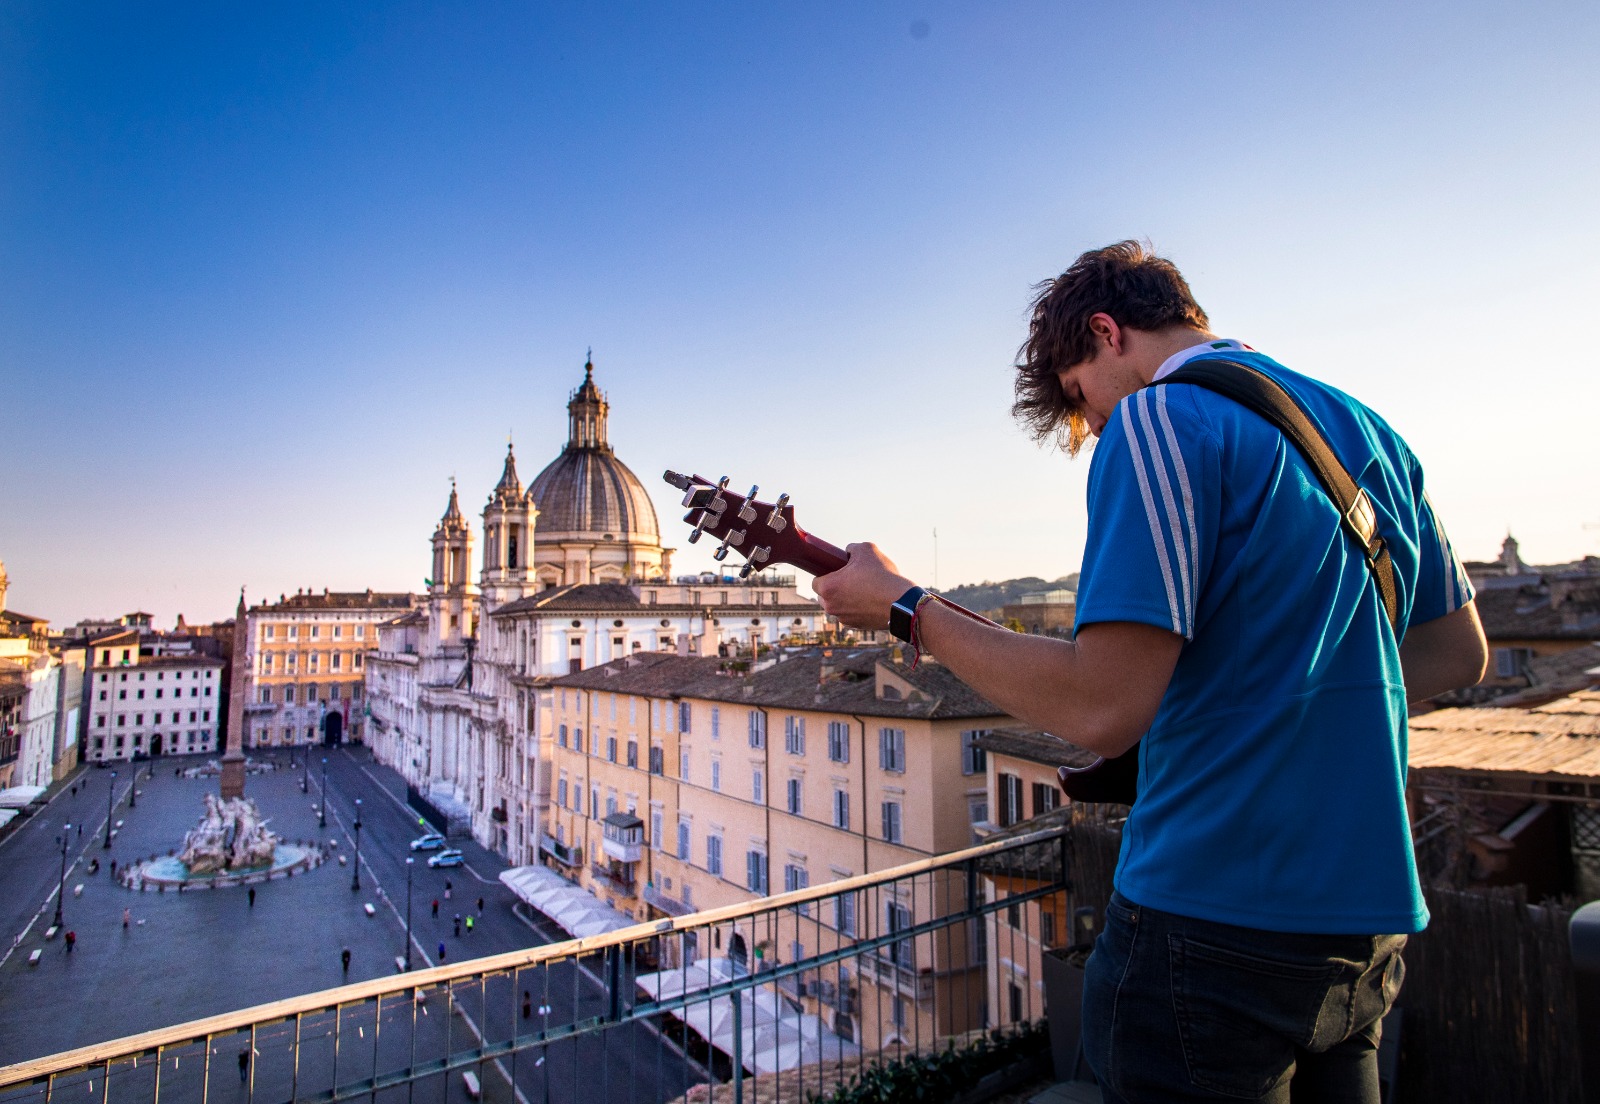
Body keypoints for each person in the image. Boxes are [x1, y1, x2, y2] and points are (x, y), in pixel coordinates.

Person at [812, 241, 1488, 1103]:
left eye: (1078, 398)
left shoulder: (1161, 419)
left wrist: (908, 608)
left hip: (1212, 920)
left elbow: (1103, 706)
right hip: (1365, 923)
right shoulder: (1367, 429)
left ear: (1106, 333)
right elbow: (1456, 653)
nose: (1090, 425)